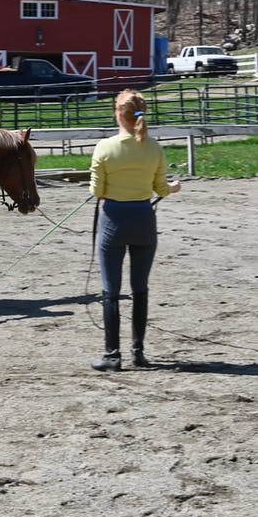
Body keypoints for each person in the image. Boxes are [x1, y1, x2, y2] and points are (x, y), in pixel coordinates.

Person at [89, 88, 181, 371]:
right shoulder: (154, 147)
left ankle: (112, 355)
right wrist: (174, 188)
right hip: (143, 219)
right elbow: (161, 188)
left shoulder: (105, 147)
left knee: (110, 290)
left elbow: (97, 191)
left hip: (113, 221)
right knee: (140, 288)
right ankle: (138, 353)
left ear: (118, 114)